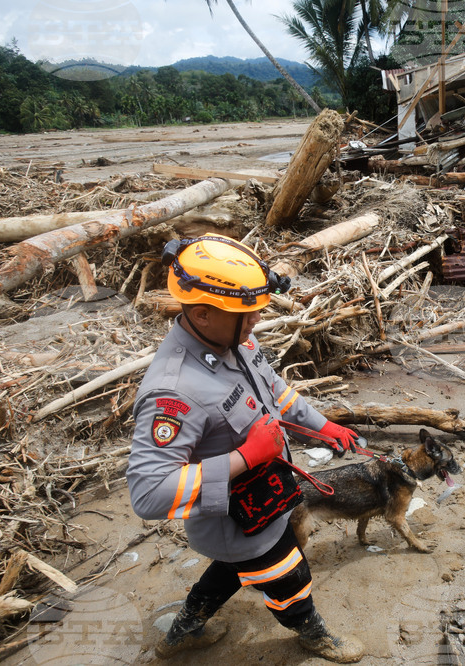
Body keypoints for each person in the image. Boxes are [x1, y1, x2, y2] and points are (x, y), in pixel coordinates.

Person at [126, 235, 364, 663]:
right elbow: (147, 492)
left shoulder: (234, 338)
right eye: (246, 312)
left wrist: (322, 425)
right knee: (290, 578)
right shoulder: (175, 391)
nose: (257, 318)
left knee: (231, 571)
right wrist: (247, 456)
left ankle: (181, 634)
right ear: (201, 312)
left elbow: (273, 390)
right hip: (237, 519)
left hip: (270, 494)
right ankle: (313, 634)